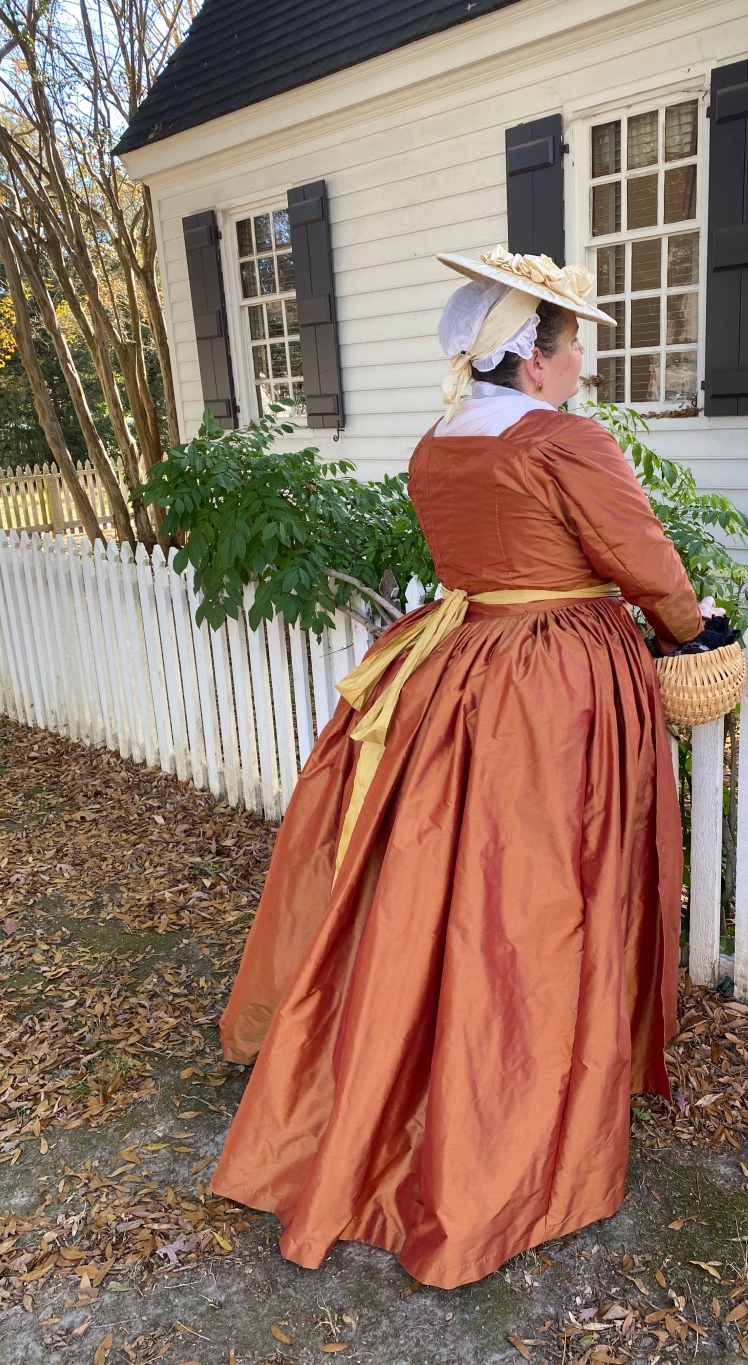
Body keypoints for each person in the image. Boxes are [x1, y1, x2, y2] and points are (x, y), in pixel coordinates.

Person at [209, 246, 704, 1289]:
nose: (585, 372)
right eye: (576, 352)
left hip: (453, 665)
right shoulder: (565, 441)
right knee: (536, 890)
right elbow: (646, 562)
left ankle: (409, 1048)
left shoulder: (437, 444)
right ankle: (512, 1100)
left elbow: (472, 561)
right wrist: (689, 628)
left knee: (442, 878)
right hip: (549, 685)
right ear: (534, 361)